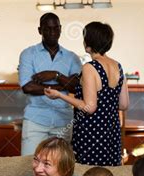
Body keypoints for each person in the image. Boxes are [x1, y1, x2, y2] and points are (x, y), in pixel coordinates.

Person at [45, 22, 129, 166]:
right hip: (111, 134)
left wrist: (60, 95)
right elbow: (124, 104)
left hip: (91, 134)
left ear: (88, 43)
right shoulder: (118, 67)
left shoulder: (90, 67)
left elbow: (89, 107)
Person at [19, 13, 82, 156]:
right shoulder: (28, 54)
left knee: (60, 169)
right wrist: (61, 87)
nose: (52, 32)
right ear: (40, 30)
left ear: (60, 29)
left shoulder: (72, 57)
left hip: (63, 121)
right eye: (47, 29)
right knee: (28, 165)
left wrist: (55, 75)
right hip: (35, 121)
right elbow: (28, 87)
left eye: (55, 28)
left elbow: (76, 87)